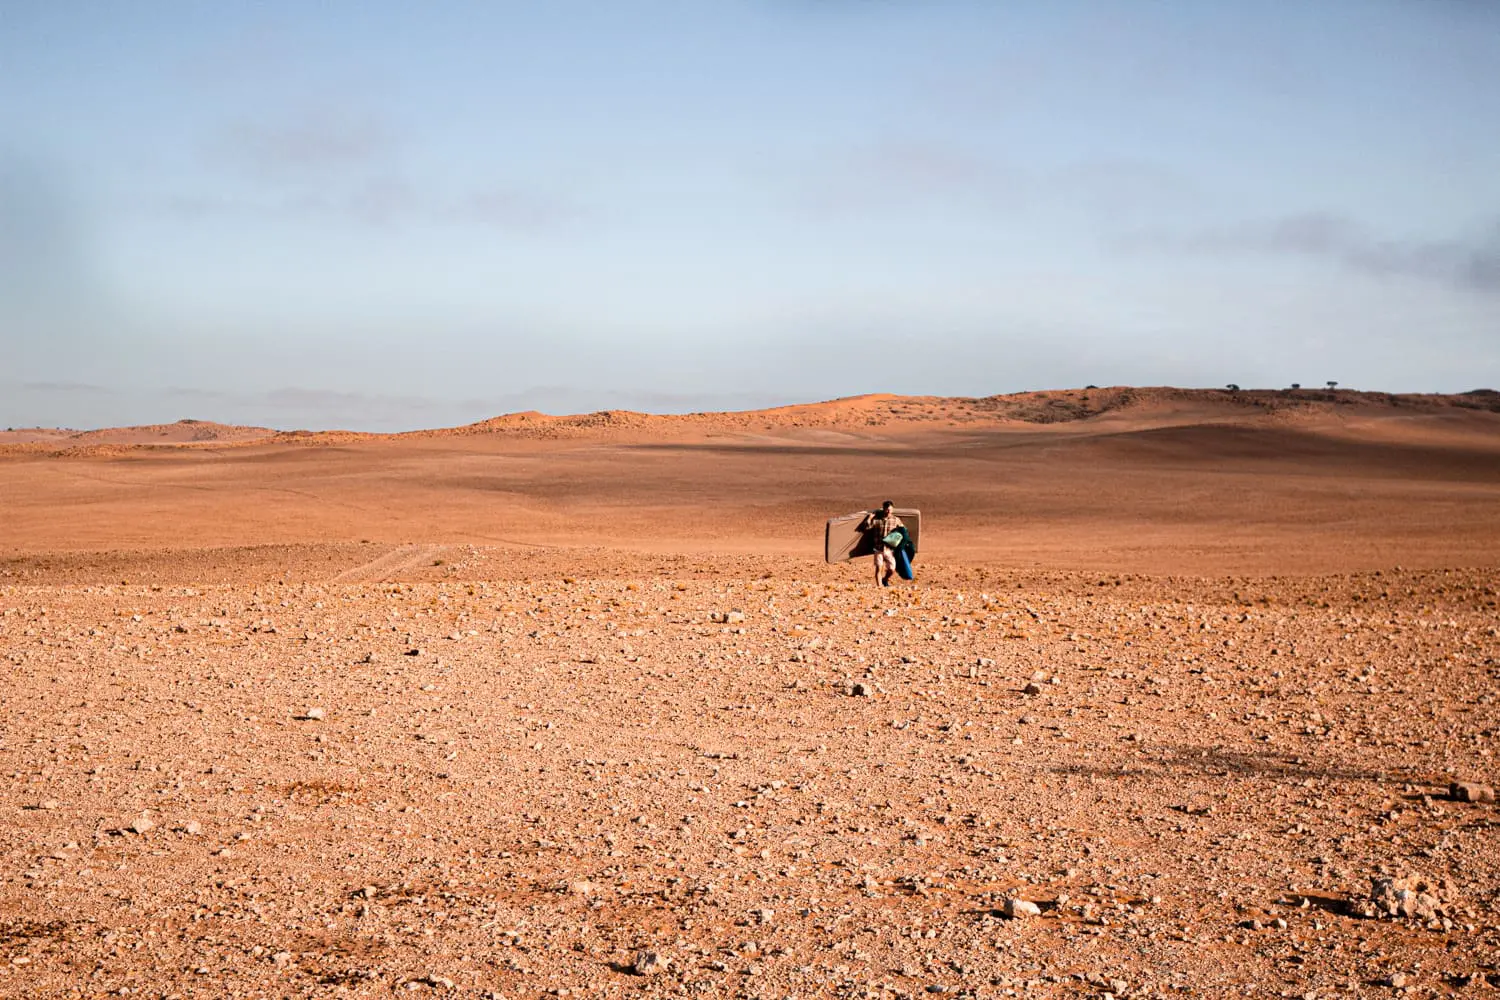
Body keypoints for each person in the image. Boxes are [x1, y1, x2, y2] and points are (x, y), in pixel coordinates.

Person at [860, 500, 904, 587]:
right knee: (878, 568)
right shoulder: (877, 520)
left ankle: (885, 579)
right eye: (887, 509)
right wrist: (869, 518)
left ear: (892, 509)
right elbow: (867, 527)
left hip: (889, 550)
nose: (888, 511)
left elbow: (903, 531)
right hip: (878, 549)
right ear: (883, 509)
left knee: (892, 569)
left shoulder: (896, 520)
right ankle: (879, 587)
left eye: (890, 509)